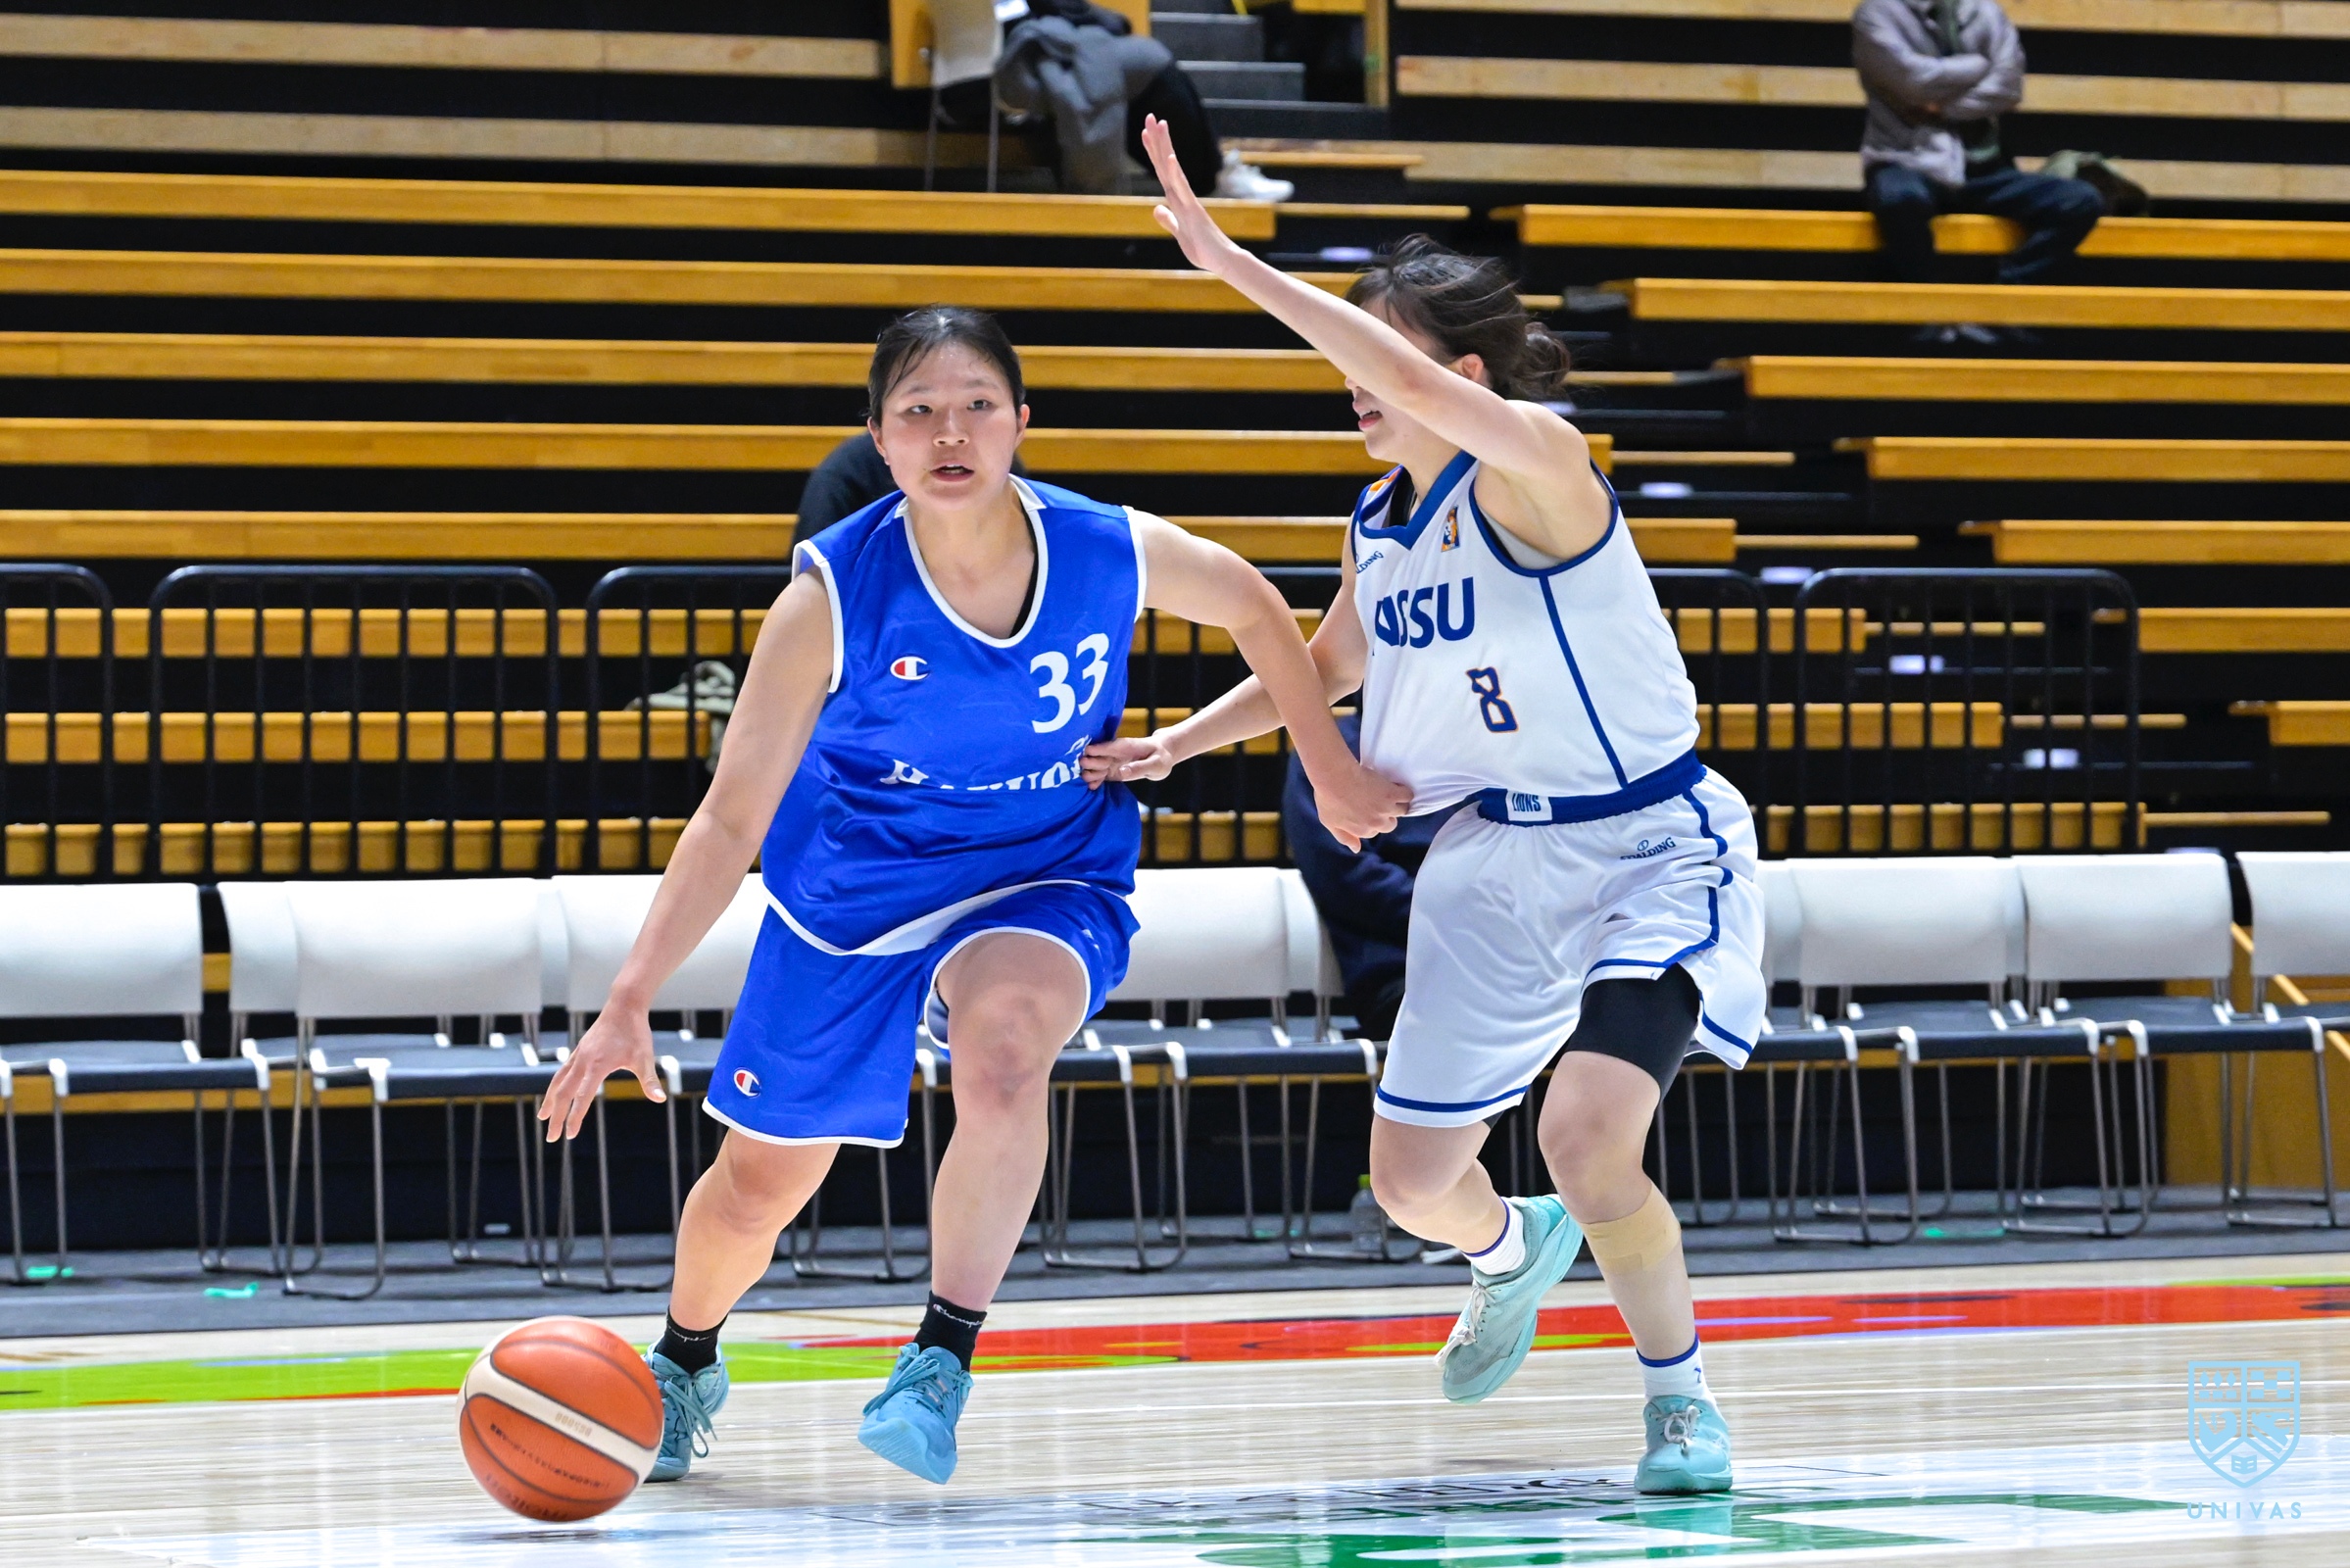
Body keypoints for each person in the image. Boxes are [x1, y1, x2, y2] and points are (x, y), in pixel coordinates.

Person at [539, 306, 1405, 1487]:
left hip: (1043, 866)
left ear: (1020, 423)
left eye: (976, 406)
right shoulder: (830, 595)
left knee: (1003, 1048)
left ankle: (939, 1356)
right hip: (856, 889)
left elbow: (1255, 605)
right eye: (919, 411)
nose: (950, 432)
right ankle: (687, 1356)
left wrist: (1322, 760)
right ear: (880, 440)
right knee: (761, 1183)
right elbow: (730, 818)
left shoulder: (1103, 545)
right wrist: (630, 995)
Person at [1089, 119, 1767, 1494]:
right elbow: (1328, 664)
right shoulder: (1377, 525)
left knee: (1587, 1138)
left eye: (1377, 356)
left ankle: (1679, 1400)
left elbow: (1396, 372)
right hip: (1489, 860)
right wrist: (1181, 742)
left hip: (1644, 843)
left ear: (1456, 378)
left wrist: (1230, 263)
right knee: (1407, 1182)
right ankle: (1511, 1250)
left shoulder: (1540, 466)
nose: (1356, 381)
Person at [1854, 0, 2102, 305]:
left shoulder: (1985, 10)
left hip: (1986, 170)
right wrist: (1978, 65)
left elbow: (2008, 87)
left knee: (2079, 200)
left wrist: (1941, 108)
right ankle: (1928, 311)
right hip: (1908, 162)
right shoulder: (1877, 13)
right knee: (1900, 199)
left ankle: (2000, 302)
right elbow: (1914, 82)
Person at [1282, 712, 1459, 1043]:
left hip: (1494, 948)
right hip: (1399, 966)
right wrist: (1456, 915)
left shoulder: (1471, 741)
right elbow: (1344, 876)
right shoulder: (1329, 751)